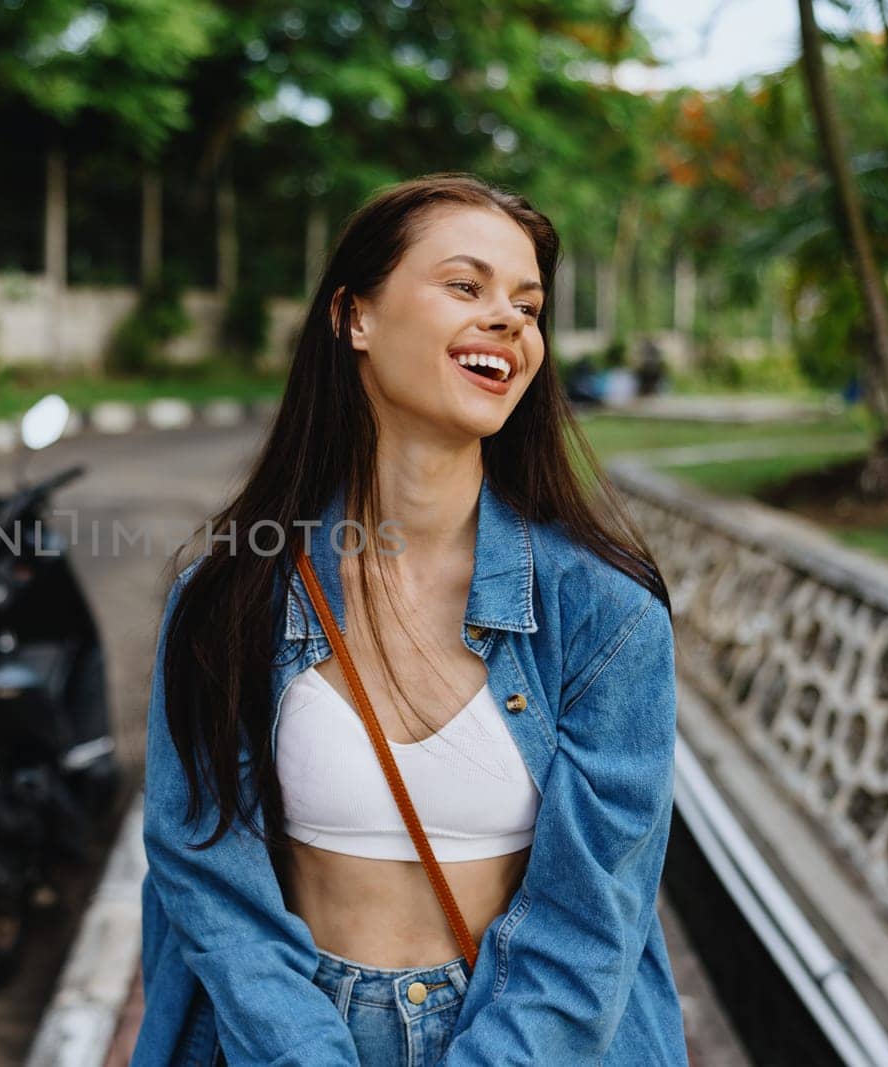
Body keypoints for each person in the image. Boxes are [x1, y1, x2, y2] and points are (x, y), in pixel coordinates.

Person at [132, 173, 687, 1066]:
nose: (508, 319)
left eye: (528, 303)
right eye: (466, 286)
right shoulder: (228, 596)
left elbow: (592, 925)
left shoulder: (607, 618)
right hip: (288, 1038)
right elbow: (204, 869)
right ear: (355, 316)